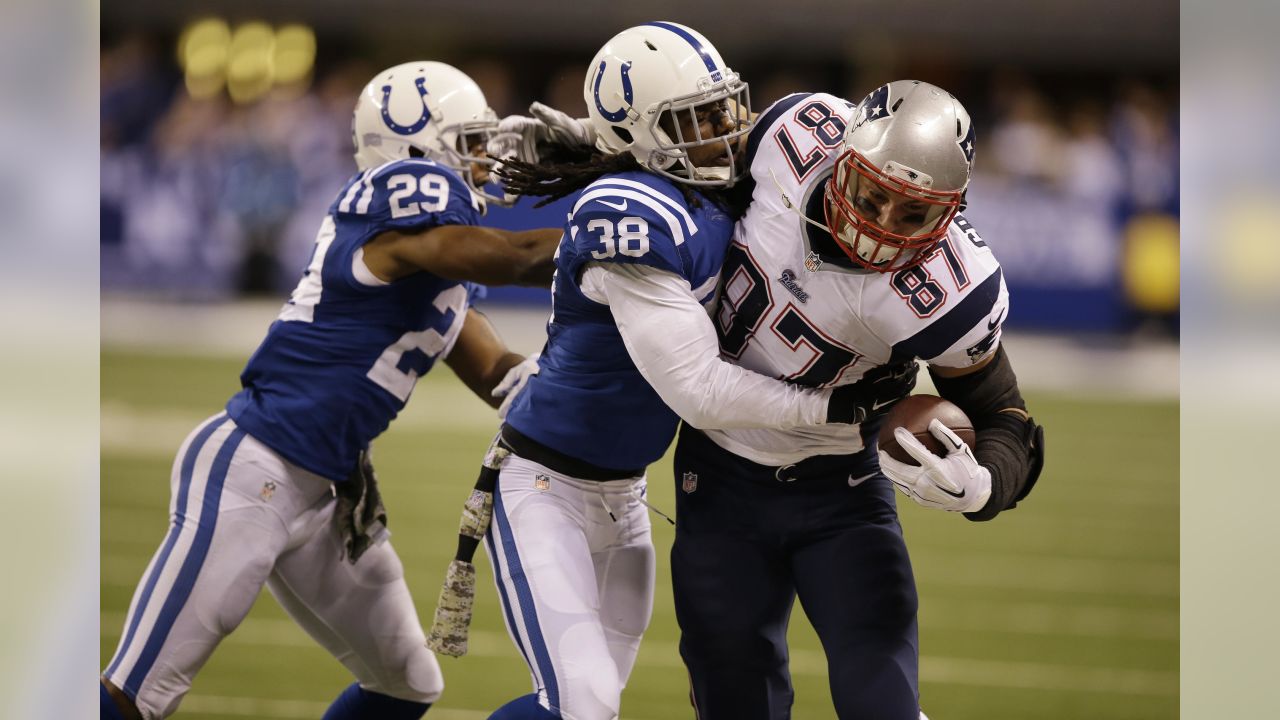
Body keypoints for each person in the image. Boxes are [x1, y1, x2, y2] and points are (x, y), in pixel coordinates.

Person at [509, 80, 1046, 719]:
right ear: (844, 156)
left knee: (882, 701)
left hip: (843, 490)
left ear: (953, 211)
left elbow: (1006, 416)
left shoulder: (951, 289)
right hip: (720, 478)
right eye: (873, 195)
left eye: (913, 214)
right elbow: (696, 159)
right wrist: (609, 147)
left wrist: (986, 486)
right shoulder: (792, 136)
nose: (881, 226)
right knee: (736, 702)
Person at [467, 23, 917, 720]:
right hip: (544, 488)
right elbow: (700, 389)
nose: (725, 131)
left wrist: (595, 141)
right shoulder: (627, 214)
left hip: (624, 501)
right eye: (695, 119)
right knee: (579, 708)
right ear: (644, 136)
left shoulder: (711, 187)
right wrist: (834, 408)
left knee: (591, 709)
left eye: (723, 109)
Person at [100, 61, 562, 720]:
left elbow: (496, 371)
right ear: (413, 152)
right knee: (137, 696)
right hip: (252, 468)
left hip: (328, 498)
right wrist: (619, 226)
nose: (485, 161)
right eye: (470, 143)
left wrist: (587, 391)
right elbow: (510, 257)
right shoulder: (406, 212)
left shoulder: (439, 267)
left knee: (407, 682)